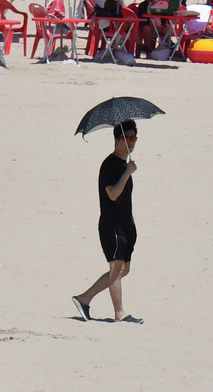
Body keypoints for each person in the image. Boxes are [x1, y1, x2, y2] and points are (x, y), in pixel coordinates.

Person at [72, 120, 142, 324]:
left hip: (126, 225)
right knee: (116, 268)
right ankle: (119, 313)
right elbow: (112, 194)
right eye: (127, 138)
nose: (131, 142)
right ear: (117, 139)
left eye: (134, 138)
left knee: (123, 270)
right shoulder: (110, 165)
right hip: (112, 226)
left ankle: (83, 299)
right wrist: (127, 173)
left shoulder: (124, 164)